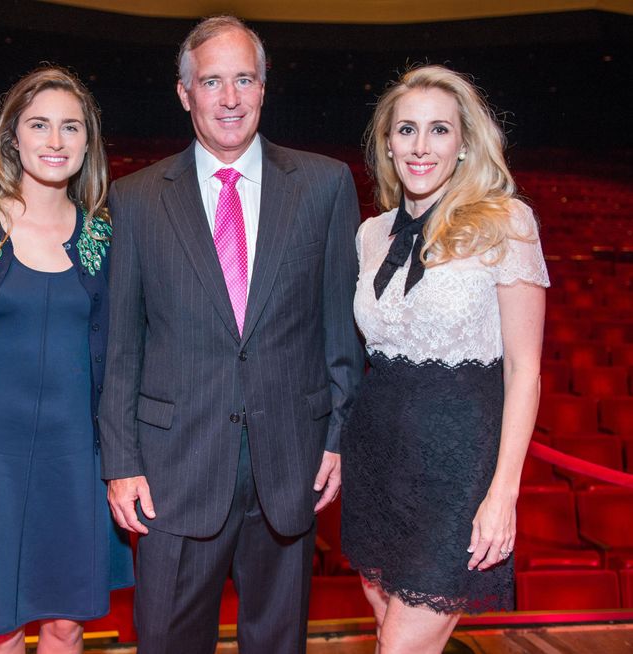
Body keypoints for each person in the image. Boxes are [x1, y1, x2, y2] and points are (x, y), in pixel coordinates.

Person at [100, 15, 364, 654]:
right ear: (184, 92)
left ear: (264, 87)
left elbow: (341, 332)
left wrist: (336, 438)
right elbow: (120, 346)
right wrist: (122, 462)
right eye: (211, 81)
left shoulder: (325, 186)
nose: (229, 98)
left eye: (244, 79)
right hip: (172, 469)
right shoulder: (134, 198)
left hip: (290, 462)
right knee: (166, 641)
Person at [341, 64, 549, 653]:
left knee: (402, 647)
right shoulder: (371, 234)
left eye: (439, 130)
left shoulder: (507, 223)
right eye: (406, 129)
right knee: (390, 631)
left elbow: (524, 370)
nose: (421, 145)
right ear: (387, 142)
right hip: (377, 453)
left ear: (463, 144)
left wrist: (502, 493)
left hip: (459, 464)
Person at [0, 66, 133, 654]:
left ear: (87, 142)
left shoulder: (105, 238)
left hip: (75, 456)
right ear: (12, 137)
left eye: (71, 127)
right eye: (39, 124)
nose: (55, 140)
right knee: (0, 626)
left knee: (68, 622)